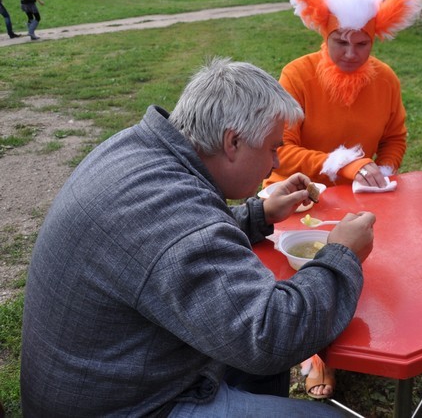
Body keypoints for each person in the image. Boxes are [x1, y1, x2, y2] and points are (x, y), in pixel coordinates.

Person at [20, 57, 376, 417]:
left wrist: (258, 214)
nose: (274, 164)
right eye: (272, 147)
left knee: (259, 373)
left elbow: (168, 241)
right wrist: (341, 254)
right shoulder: (174, 214)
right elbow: (270, 335)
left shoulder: (141, 150)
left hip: (108, 375)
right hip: (133, 406)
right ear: (233, 142)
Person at [262, 0, 422, 400]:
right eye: (340, 41)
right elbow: (281, 149)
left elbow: (395, 137)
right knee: (306, 265)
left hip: (358, 195)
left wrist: (383, 173)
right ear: (325, 33)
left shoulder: (385, 79)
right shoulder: (297, 75)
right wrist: (347, 164)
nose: (351, 52)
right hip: (294, 196)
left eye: (362, 43)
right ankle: (315, 351)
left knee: (372, 260)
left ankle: (357, 331)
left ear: (375, 38)